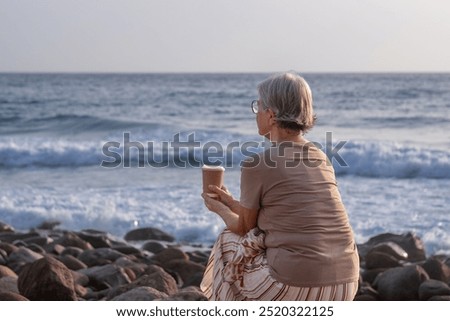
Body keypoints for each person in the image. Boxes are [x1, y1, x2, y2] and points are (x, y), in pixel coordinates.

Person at [200, 72, 360, 301]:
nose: (256, 113)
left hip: (297, 285)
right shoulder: (321, 158)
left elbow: (244, 227)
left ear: (272, 115)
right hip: (346, 284)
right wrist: (230, 202)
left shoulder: (258, 163)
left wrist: (217, 208)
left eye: (259, 106)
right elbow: (279, 213)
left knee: (228, 241)